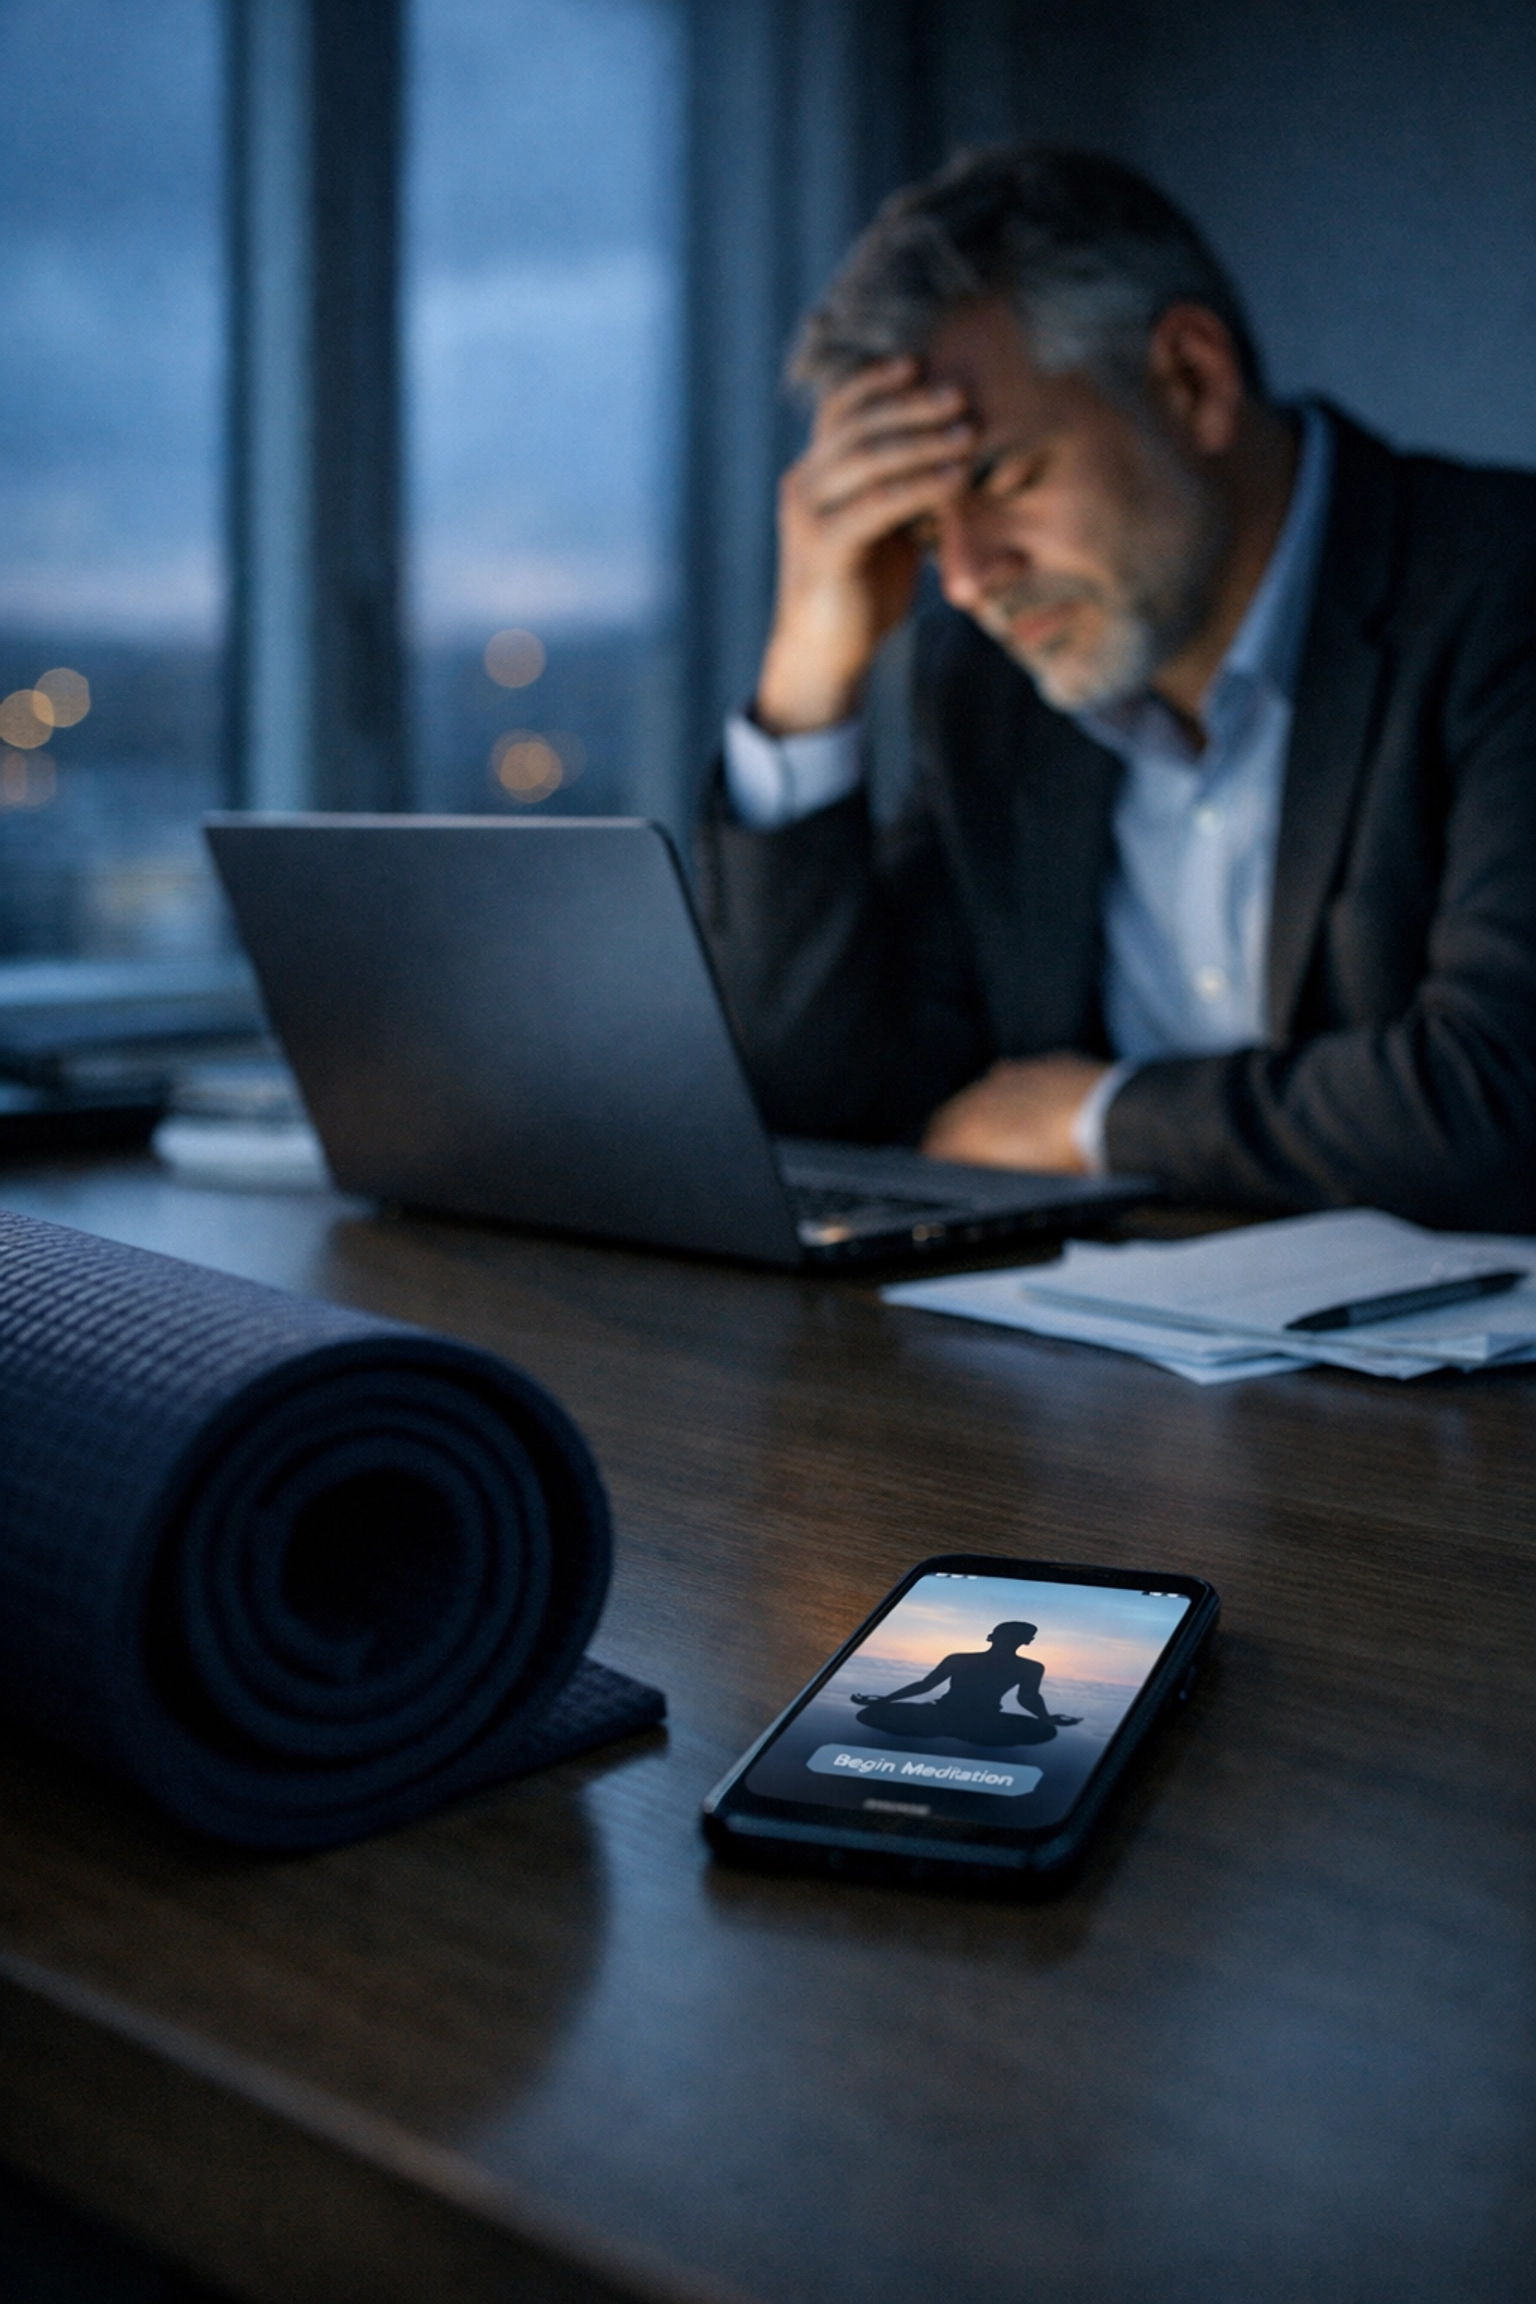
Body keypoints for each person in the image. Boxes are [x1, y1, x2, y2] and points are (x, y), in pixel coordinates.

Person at [699, 148, 1536, 1227]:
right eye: (919, 529)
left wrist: (1094, 1120)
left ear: (1192, 378)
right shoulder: (992, 688)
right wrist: (808, 680)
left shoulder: (1505, 590)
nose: (963, 581)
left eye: (1004, 478)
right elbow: (832, 1106)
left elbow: (1500, 1104)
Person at [850, 1621, 1079, 1746]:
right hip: (961, 1716)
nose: (1030, 1639)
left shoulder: (1029, 1667)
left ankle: (948, 1730)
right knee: (1043, 1731)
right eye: (1028, 1635)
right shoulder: (961, 1659)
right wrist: (884, 1700)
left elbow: (1028, 1698)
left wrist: (1047, 1718)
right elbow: (926, 1685)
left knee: (1046, 1731)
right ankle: (967, 1733)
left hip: (971, 1717)